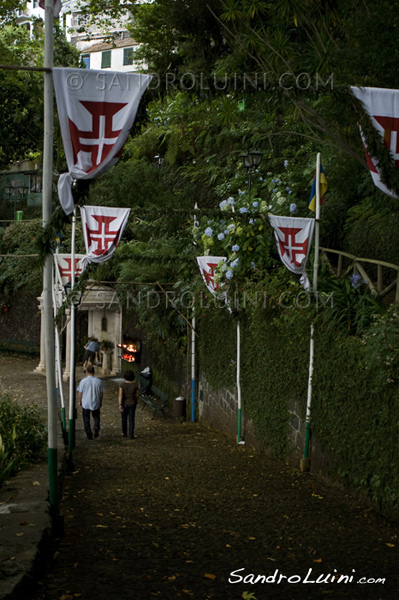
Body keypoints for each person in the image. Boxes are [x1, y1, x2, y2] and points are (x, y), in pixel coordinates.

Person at [77, 364, 104, 440]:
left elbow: (80, 392)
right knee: (96, 416)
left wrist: (80, 400)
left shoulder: (83, 381)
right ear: (94, 372)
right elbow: (101, 393)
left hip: (86, 402)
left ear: (87, 372)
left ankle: (89, 433)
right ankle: (96, 426)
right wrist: (100, 401)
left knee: (86, 418)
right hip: (95, 401)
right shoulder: (99, 381)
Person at [119, 370, 140, 439]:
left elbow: (120, 395)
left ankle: (124, 433)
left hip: (124, 403)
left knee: (124, 419)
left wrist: (120, 404)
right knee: (131, 419)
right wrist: (136, 401)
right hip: (132, 403)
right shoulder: (135, 385)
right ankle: (131, 433)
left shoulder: (122, 385)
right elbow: (137, 395)